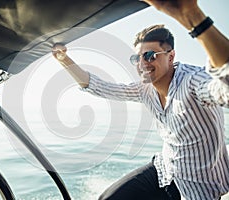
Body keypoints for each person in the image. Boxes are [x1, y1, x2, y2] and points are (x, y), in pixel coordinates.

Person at [52, 0, 229, 199]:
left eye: (150, 55)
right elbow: (100, 88)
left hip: (200, 188)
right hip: (165, 171)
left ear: (171, 57)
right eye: (137, 58)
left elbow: (224, 89)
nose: (143, 63)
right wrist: (64, 60)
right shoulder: (144, 89)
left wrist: (194, 17)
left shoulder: (192, 80)